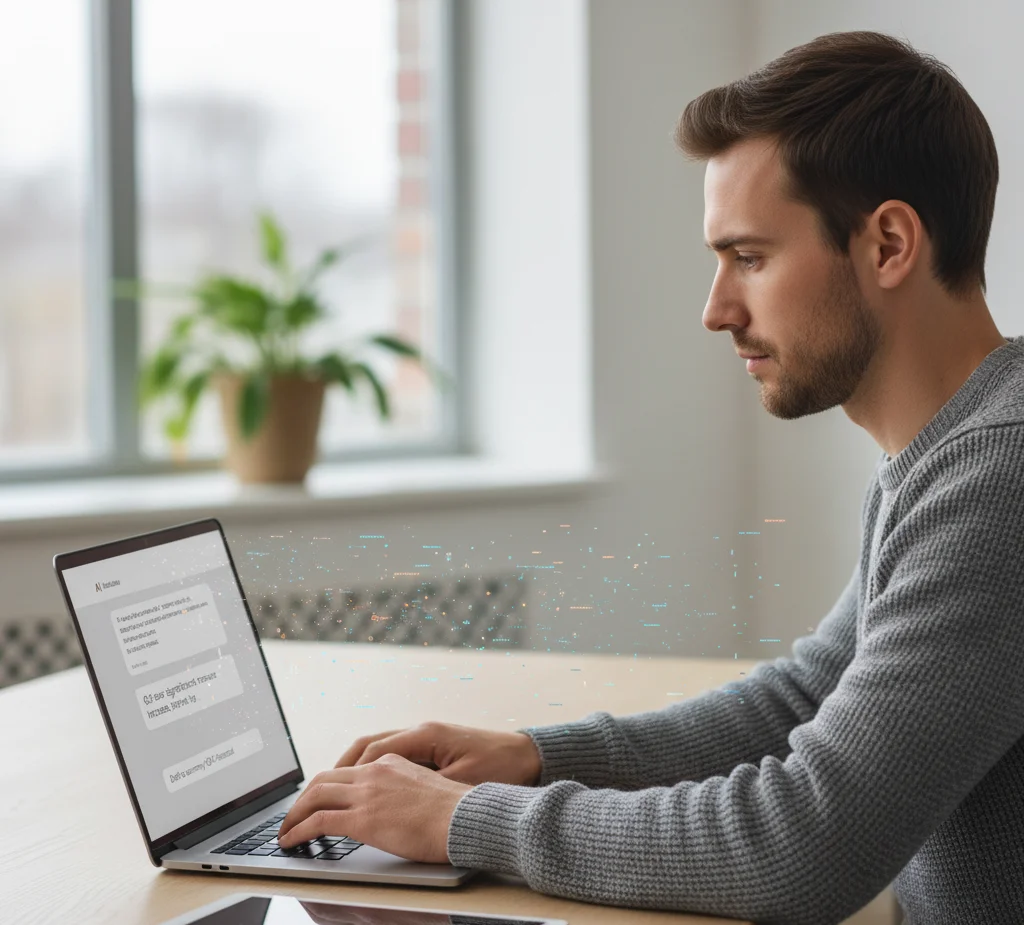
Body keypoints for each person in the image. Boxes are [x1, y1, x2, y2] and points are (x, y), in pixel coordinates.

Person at [278, 30, 1024, 925]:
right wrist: (534, 756)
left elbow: (802, 845)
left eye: (750, 257)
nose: (716, 310)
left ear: (890, 243)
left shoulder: (1000, 475)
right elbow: (807, 696)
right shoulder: (954, 454)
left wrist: (469, 820)